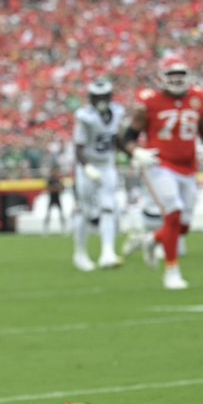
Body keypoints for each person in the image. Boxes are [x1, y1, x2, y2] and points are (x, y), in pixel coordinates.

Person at [124, 54, 203, 290]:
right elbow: (126, 137)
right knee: (173, 214)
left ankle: (152, 239)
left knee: (183, 225)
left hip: (188, 166)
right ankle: (171, 272)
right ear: (162, 78)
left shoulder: (197, 96)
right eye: (171, 75)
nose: (176, 79)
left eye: (180, 74)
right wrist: (136, 153)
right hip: (159, 164)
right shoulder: (149, 101)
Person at [71, 78, 126, 271]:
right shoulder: (85, 116)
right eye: (97, 97)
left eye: (104, 96)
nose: (101, 100)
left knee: (108, 206)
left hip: (107, 164)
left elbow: (116, 138)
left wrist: (133, 153)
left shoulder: (118, 112)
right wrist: (87, 168)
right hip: (88, 165)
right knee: (86, 211)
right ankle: (80, 253)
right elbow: (78, 147)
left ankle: (108, 252)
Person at [43, 166, 66, 235]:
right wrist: (56, 188)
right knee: (48, 214)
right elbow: (48, 189)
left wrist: (57, 188)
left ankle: (63, 228)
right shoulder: (50, 180)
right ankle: (46, 229)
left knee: (61, 214)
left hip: (57, 198)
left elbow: (62, 188)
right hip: (52, 198)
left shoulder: (58, 180)